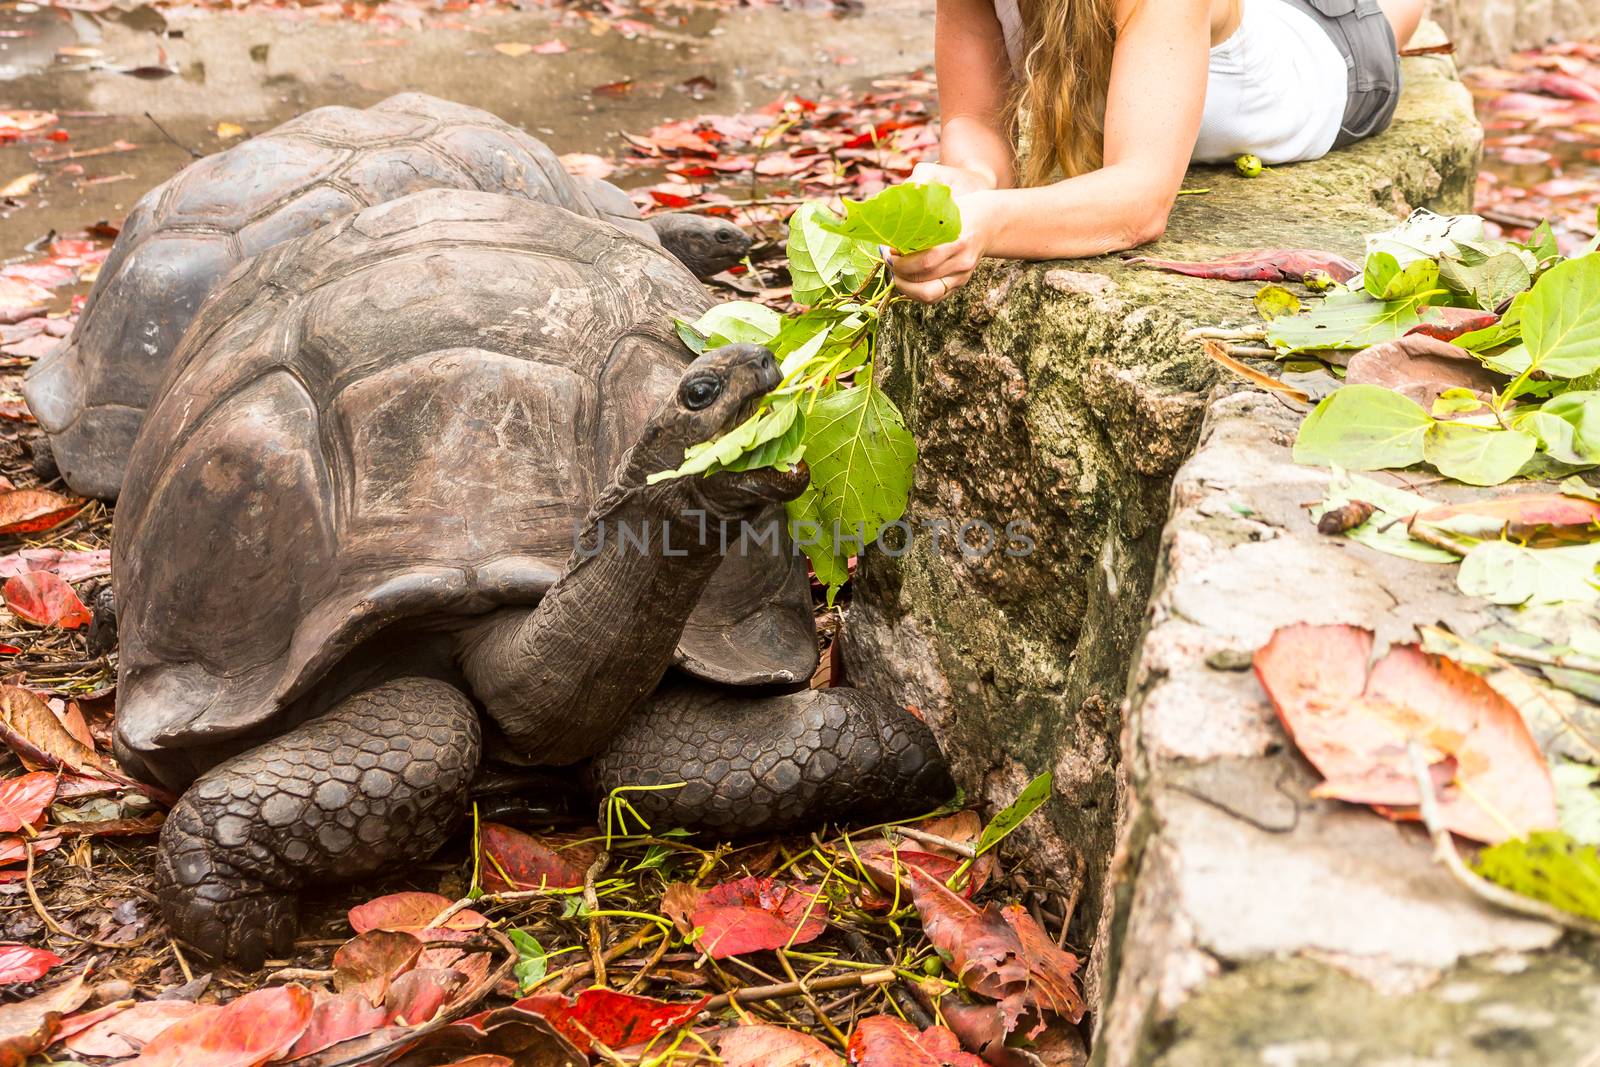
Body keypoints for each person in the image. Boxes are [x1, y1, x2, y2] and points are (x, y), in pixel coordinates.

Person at [890, 0, 1428, 301]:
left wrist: (986, 224)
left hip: (1334, 51)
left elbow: (1140, 200)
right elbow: (974, 117)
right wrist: (969, 180)